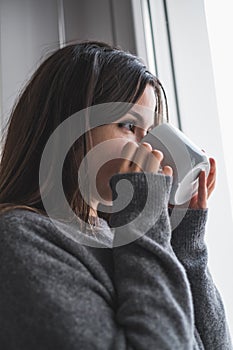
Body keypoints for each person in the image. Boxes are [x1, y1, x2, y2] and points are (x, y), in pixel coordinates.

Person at [0, 41, 232, 350]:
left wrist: (183, 239)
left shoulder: (123, 237)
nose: (151, 149)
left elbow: (215, 345)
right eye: (128, 125)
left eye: (150, 132)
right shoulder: (20, 237)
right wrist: (145, 221)